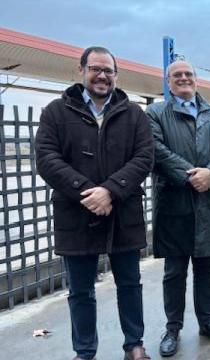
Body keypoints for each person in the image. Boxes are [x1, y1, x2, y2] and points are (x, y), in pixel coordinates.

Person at [35, 46, 154, 360]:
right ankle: (85, 351)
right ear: (81, 70)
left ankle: (134, 345)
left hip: (122, 211)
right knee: (80, 291)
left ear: (116, 75)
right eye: (95, 69)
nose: (102, 75)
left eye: (108, 70)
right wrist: (89, 192)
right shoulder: (55, 112)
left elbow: (144, 157)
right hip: (76, 212)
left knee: (130, 284)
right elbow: (47, 159)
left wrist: (111, 191)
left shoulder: (134, 114)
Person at [146, 60, 210, 357]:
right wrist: (191, 175)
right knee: (174, 271)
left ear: (197, 80)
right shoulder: (157, 113)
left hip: (207, 203)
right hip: (175, 203)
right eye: (177, 75)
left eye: (188, 74)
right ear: (169, 82)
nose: (183, 78)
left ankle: (207, 322)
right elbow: (156, 149)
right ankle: (172, 328)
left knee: (206, 270)